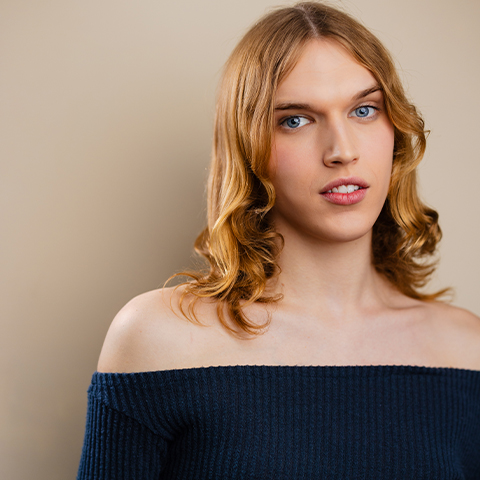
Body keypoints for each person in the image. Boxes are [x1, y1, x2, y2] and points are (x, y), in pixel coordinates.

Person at [77, 2, 480, 478]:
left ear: (396, 130)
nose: (342, 150)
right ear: (249, 147)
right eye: (295, 120)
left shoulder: (465, 349)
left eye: (364, 110)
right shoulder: (158, 338)